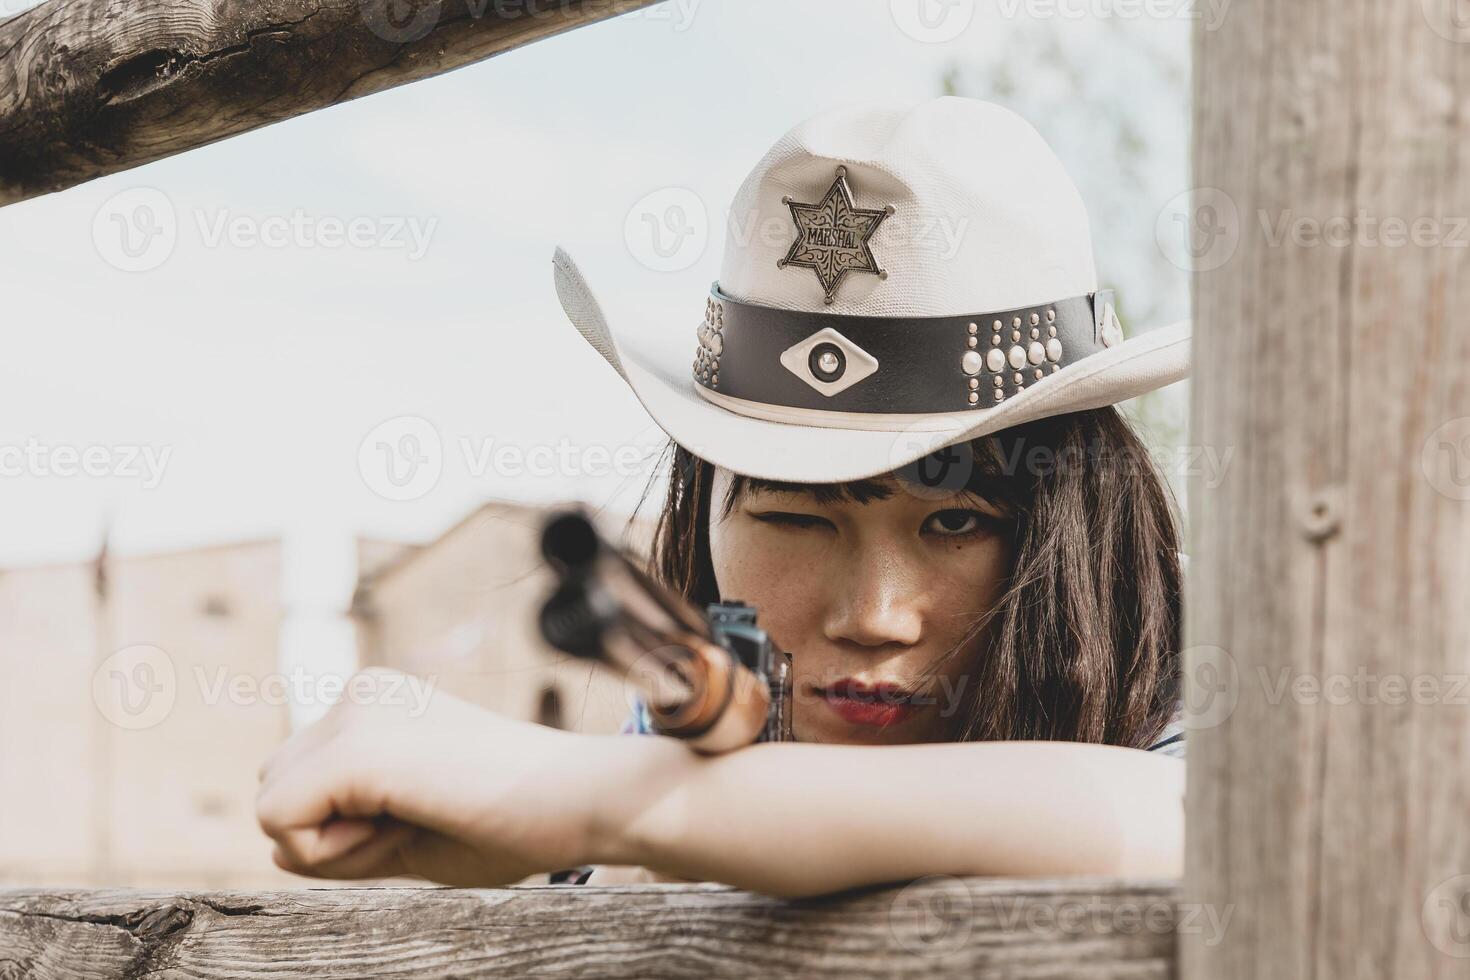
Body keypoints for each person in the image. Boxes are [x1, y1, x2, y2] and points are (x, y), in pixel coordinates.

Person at [256, 97, 1192, 899]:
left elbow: (1192, 822)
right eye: (794, 514)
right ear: (702, 505)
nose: (873, 617)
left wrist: (600, 805)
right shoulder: (703, 699)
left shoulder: (1215, 647)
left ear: (1077, 521)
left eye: (954, 520)